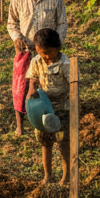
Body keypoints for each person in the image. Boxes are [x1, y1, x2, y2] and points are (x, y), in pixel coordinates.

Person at [7, 0, 67, 136]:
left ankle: (46, 119)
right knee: (21, 86)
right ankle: (20, 125)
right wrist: (17, 38)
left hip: (48, 51)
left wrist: (56, 45)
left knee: (48, 84)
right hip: (26, 50)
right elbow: (12, 23)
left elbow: (62, 23)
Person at [25, 28, 71, 186]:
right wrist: (31, 92)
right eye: (42, 53)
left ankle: (66, 177)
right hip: (44, 109)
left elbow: (73, 84)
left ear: (58, 48)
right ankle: (48, 176)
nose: (46, 57)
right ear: (37, 49)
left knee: (64, 142)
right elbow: (32, 78)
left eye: (49, 53)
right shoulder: (36, 61)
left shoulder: (65, 63)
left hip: (63, 107)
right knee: (46, 142)